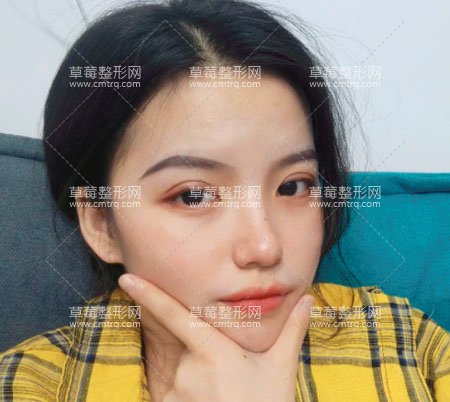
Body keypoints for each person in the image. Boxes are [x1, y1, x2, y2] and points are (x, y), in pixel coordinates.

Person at [1, 0, 449, 401]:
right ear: (102, 223)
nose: (264, 248)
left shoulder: (410, 345)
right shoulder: (30, 383)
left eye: (293, 186)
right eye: (193, 195)